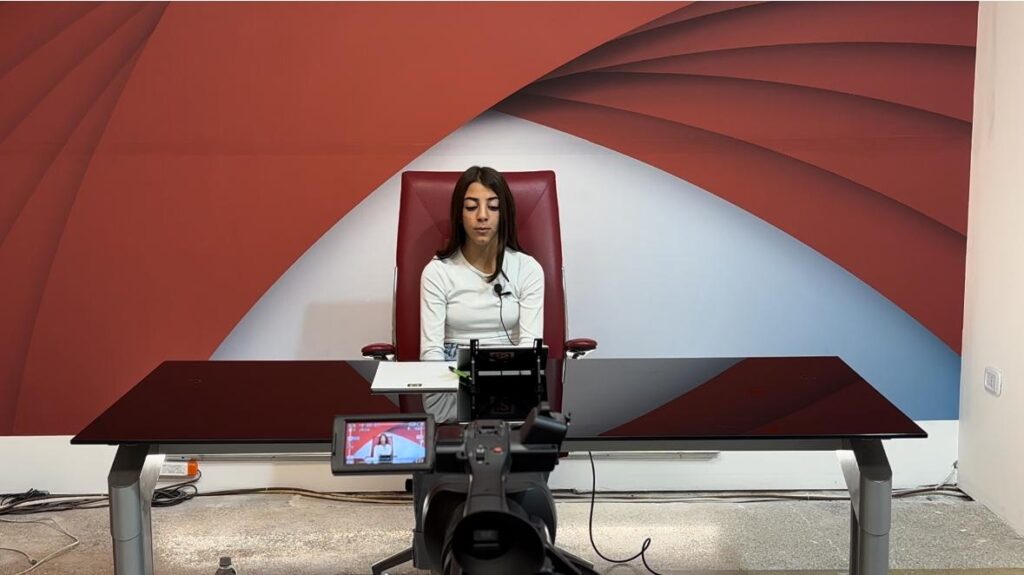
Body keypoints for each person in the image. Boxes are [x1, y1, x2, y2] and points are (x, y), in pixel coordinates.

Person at [420, 166, 544, 423]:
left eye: (493, 207)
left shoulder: (528, 269)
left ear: (504, 213)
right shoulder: (437, 272)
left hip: (511, 375)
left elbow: (530, 347)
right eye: (471, 207)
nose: (482, 216)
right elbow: (431, 351)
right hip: (451, 376)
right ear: (459, 214)